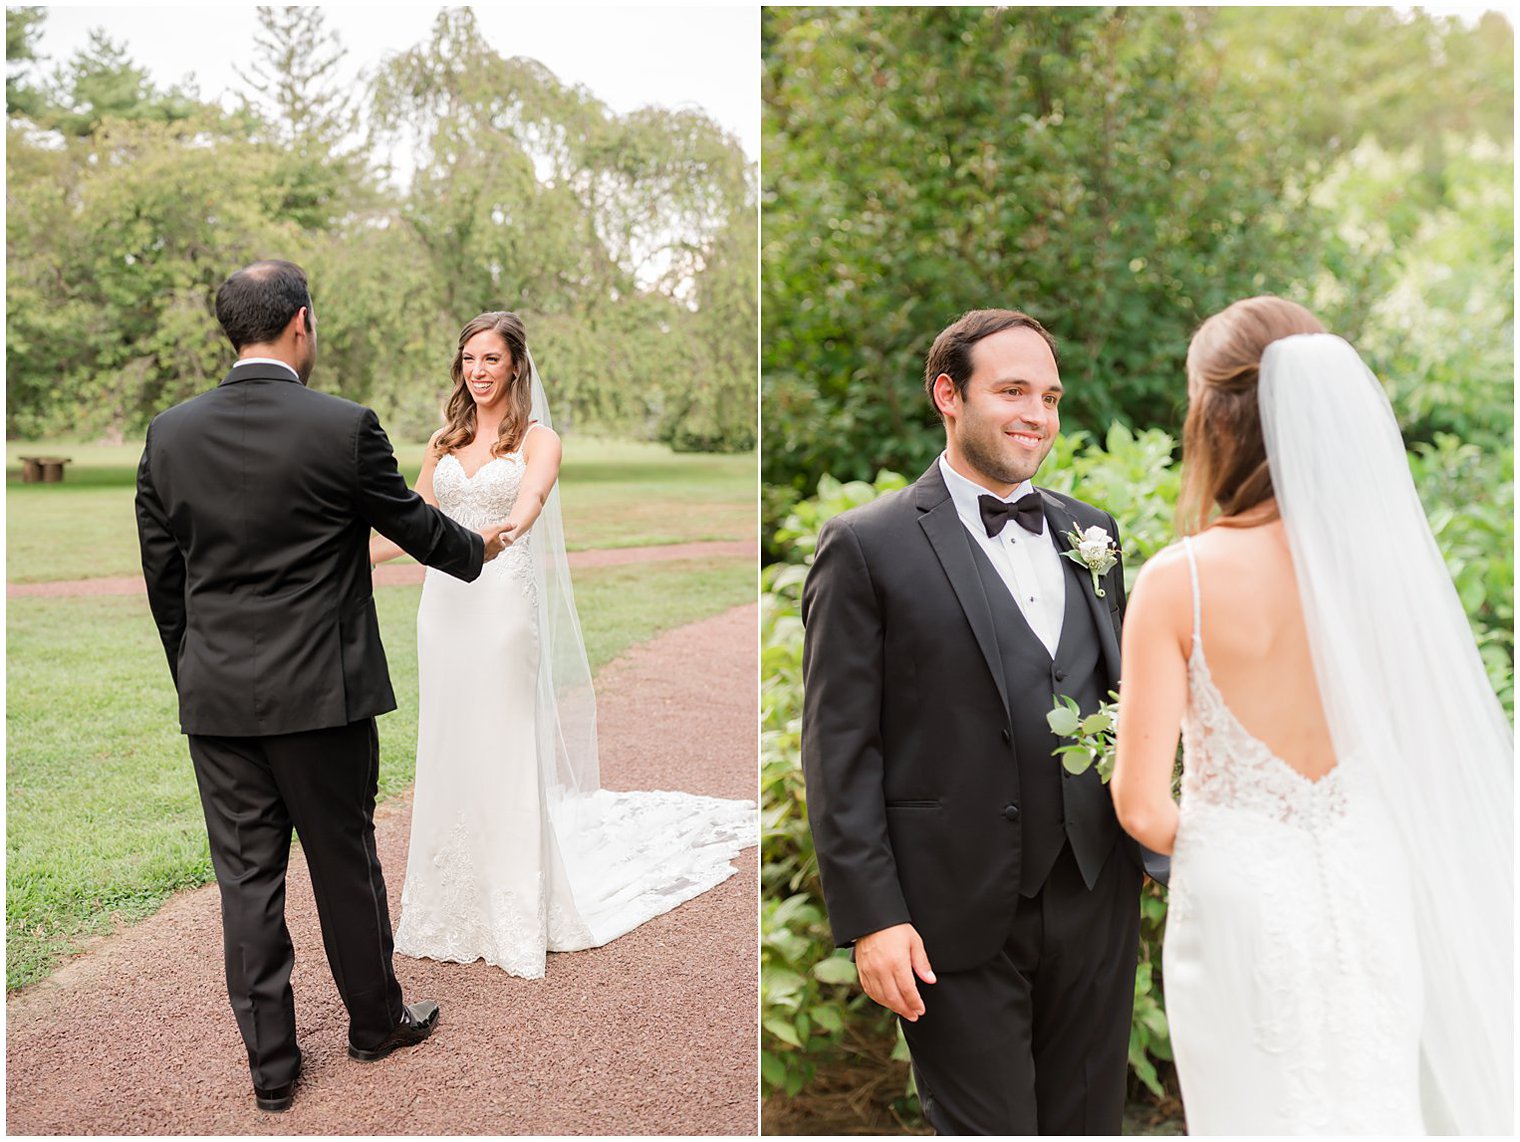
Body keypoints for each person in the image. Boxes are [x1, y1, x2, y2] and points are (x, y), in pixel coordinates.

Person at [1111, 296, 1513, 1134]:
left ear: (1217, 420)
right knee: (1375, 1100)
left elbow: (1142, 806)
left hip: (1239, 898)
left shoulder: (1180, 579)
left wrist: (1246, 838)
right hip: (1371, 877)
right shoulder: (1391, 577)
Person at [135, 261, 512, 1113]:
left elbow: (165, 579)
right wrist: (475, 550)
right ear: (300, 322)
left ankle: (272, 1072)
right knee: (344, 864)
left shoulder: (170, 434)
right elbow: (409, 523)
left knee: (246, 882)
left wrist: (196, 675)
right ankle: (376, 1025)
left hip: (219, 699)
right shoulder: (342, 426)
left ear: (233, 330)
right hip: (324, 696)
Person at [800, 308, 1163, 1135]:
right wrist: (872, 918)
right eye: (1012, 391)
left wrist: (1146, 843)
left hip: (1094, 897)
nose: (1037, 414)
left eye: (1050, 395)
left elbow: (1124, 697)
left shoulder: (1091, 532)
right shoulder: (866, 546)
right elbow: (838, 747)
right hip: (944, 910)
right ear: (948, 395)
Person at [369, 311, 754, 979]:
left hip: (501, 603)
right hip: (445, 612)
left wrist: (494, 536)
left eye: (490, 359)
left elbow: (528, 505)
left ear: (515, 364)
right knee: (448, 740)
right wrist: (352, 560)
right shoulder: (442, 440)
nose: (478, 371)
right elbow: (415, 518)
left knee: (504, 741)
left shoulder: (539, 438)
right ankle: (448, 901)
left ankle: (517, 906)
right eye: (468, 359)